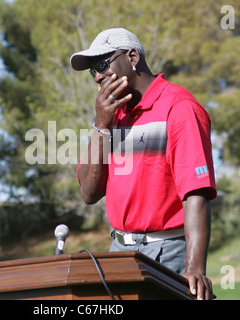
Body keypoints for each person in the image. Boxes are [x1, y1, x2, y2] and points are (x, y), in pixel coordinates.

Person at [70, 28, 217, 300]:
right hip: (118, 252)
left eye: (102, 64)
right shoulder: (111, 116)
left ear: (133, 57)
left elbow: (195, 193)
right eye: (92, 70)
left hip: (166, 252)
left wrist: (194, 269)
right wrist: (102, 125)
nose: (97, 76)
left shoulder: (179, 106)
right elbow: (89, 193)